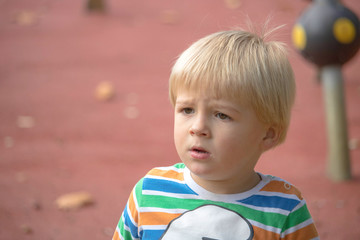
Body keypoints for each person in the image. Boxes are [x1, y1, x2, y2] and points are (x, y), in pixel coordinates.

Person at [112, 27, 319, 240]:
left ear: (267, 134)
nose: (198, 127)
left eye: (221, 115)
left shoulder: (284, 212)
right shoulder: (150, 193)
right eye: (187, 110)